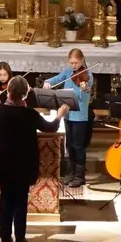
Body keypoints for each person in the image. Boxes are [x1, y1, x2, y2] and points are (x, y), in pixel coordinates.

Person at [0, 76, 69, 242]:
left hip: (3, 161)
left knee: (6, 197)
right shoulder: (30, 114)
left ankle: (5, 237)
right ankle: (20, 238)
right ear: (25, 94)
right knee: (20, 199)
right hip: (23, 163)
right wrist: (59, 116)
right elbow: (50, 128)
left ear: (8, 91)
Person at [41, 48, 94, 186]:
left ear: (82, 60)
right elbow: (56, 79)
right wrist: (48, 82)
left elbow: (84, 97)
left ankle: (80, 175)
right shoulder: (68, 72)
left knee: (78, 145)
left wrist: (84, 89)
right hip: (68, 115)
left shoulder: (88, 75)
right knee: (69, 145)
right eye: (71, 63)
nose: (73, 66)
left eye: (76, 63)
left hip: (80, 116)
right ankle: (71, 172)